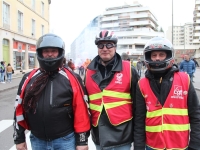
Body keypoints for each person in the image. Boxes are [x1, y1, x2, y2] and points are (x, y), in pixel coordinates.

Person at [13, 33, 90, 150]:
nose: (49, 54)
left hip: (65, 140)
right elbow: (18, 109)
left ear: (60, 52)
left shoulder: (72, 78)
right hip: (38, 140)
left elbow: (81, 110)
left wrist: (82, 141)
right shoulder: (28, 78)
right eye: (46, 51)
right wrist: (19, 139)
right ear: (40, 53)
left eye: (53, 51)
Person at [134, 37, 200, 150]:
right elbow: (139, 120)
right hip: (153, 145)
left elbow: (196, 115)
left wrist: (195, 144)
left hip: (179, 145)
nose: (157, 58)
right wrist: (138, 147)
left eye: (161, 55)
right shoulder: (141, 84)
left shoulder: (185, 80)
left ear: (169, 56)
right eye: (154, 55)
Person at [84, 30, 139, 150]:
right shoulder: (88, 72)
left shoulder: (129, 69)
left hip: (122, 135)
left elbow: (139, 106)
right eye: (101, 45)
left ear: (115, 46)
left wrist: (138, 137)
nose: (105, 48)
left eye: (109, 44)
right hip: (99, 136)